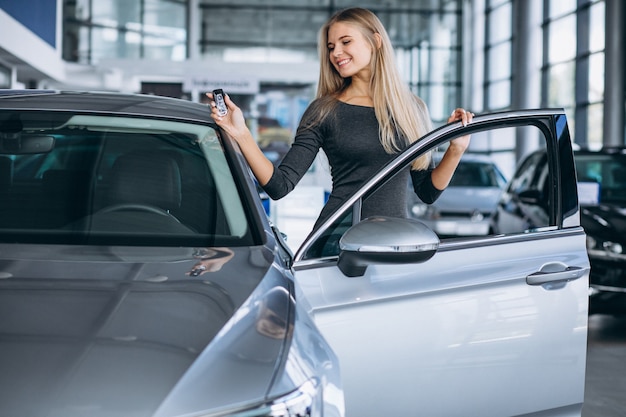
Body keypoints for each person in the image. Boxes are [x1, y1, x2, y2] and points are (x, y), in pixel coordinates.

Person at [208, 7, 473, 233]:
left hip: (395, 242)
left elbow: (426, 192)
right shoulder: (324, 110)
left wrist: (456, 149)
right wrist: (241, 133)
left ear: (375, 42)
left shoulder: (412, 108)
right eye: (331, 47)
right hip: (338, 241)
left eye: (346, 42)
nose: (336, 53)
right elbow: (279, 185)